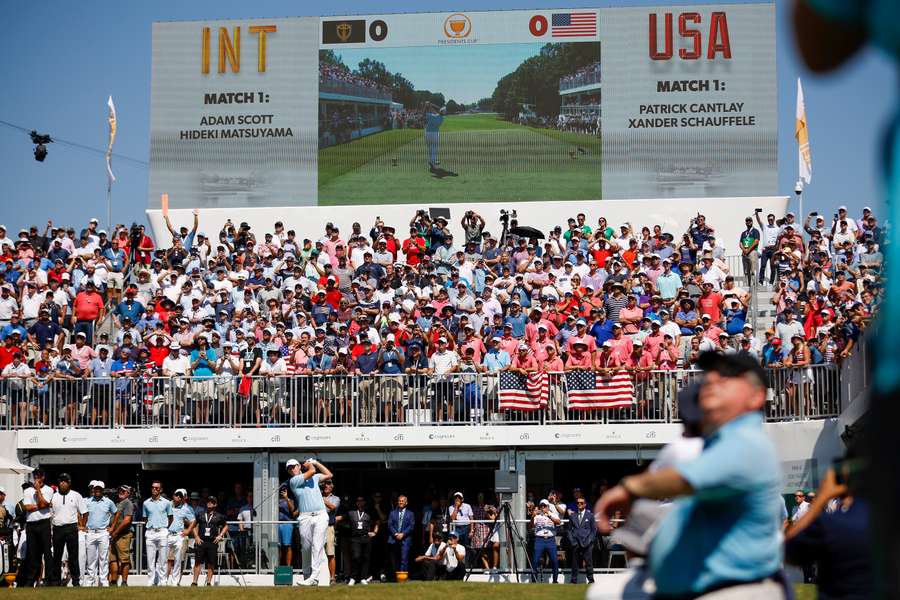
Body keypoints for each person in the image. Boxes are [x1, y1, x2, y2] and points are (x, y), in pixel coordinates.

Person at [595, 353, 787, 599]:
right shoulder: (718, 442)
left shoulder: (748, 441)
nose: (712, 380)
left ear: (756, 396)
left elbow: (681, 479)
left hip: (737, 590)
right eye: (709, 375)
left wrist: (628, 488)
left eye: (727, 377)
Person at [785, 460, 873, 600]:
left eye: (800, 496)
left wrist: (821, 498)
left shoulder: (834, 523)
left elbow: (789, 549)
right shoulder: (884, 519)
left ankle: (810, 577)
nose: (798, 498)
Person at [287, 457, 333, 586]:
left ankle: (314, 577)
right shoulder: (294, 481)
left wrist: (317, 462)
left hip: (320, 515)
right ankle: (307, 574)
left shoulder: (315, 477)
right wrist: (310, 464)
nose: (292, 469)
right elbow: (311, 471)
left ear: (298, 466)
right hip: (305, 517)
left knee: (317, 546)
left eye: (294, 466)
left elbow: (329, 474)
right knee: (306, 548)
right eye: (289, 468)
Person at [49, 472, 85, 586]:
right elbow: (50, 513)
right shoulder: (53, 496)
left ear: (69, 483)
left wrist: (83, 525)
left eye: (65, 481)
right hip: (57, 528)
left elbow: (85, 512)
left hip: (71, 528)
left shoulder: (76, 495)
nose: (63, 483)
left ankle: (76, 580)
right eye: (61, 481)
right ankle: (56, 581)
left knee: (73, 555)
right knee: (57, 556)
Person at [20, 469, 54, 587]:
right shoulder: (28, 490)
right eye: (35, 475)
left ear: (43, 477)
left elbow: (45, 503)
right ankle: (31, 579)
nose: (37, 477)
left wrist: (38, 490)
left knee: (47, 552)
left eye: (39, 475)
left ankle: (48, 578)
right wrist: (41, 506)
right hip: (31, 524)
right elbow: (28, 507)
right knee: (32, 552)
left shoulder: (49, 489)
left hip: (44, 523)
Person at [82, 480, 116, 588]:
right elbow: (80, 513)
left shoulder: (108, 502)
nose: (97, 490)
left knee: (103, 558)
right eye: (96, 488)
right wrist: (82, 525)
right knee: (91, 558)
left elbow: (116, 513)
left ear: (102, 490)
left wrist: (112, 527)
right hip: (91, 532)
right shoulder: (87, 501)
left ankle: (103, 580)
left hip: (103, 533)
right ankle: (90, 580)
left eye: (99, 489)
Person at [142, 480, 173, 586]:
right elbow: (145, 518)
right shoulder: (145, 503)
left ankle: (163, 581)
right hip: (150, 532)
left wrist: (164, 527)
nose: (154, 489)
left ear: (161, 489)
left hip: (162, 531)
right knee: (150, 559)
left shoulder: (167, 503)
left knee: (163, 559)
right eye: (153, 487)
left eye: (157, 488)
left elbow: (170, 517)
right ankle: (150, 581)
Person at [191, 496, 227, 587]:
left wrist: (220, 535)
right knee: (198, 562)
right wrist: (196, 536)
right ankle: (194, 582)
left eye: (211, 502)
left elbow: (226, 526)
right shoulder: (200, 514)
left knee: (211, 563)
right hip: (201, 541)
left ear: (215, 504)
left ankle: (208, 582)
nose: (209, 503)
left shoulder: (219, 516)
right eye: (208, 501)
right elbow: (194, 525)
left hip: (212, 541)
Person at [166, 488, 196, 586]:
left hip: (180, 535)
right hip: (167, 534)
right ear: (173, 495)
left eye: (181, 496)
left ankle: (176, 582)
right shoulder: (167, 504)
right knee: (165, 559)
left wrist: (187, 530)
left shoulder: (187, 508)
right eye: (176, 495)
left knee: (179, 560)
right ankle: (164, 580)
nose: (178, 497)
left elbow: (193, 521)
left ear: (184, 497)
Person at [108, 484, 135, 586]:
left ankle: (124, 582)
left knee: (124, 559)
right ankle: (113, 581)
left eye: (123, 491)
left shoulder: (128, 503)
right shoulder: (117, 503)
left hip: (123, 535)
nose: (120, 492)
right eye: (119, 490)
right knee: (113, 559)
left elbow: (127, 520)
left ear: (128, 493)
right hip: (115, 535)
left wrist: (115, 532)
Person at [347, 495, 377, 585]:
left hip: (366, 537)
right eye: (358, 501)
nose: (360, 502)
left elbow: (377, 521)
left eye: (362, 500)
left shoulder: (369, 512)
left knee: (365, 558)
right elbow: (342, 519)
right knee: (356, 557)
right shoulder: (351, 512)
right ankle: (353, 578)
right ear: (356, 503)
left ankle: (363, 578)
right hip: (355, 538)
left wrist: (375, 532)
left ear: (364, 502)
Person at [567, 495, 596, 584]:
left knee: (588, 562)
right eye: (578, 503)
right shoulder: (573, 516)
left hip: (587, 542)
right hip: (575, 543)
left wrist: (590, 540)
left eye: (581, 503)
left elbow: (593, 530)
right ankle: (574, 580)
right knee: (575, 563)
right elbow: (568, 530)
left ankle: (591, 580)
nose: (579, 504)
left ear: (585, 504)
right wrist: (572, 541)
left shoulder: (590, 515)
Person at [531, 499, 561, 584]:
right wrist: (533, 516)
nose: (543, 507)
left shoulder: (553, 514)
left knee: (554, 560)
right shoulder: (537, 515)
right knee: (535, 560)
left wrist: (549, 516)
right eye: (541, 506)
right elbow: (531, 525)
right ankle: (534, 580)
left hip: (550, 540)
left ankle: (555, 580)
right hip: (539, 539)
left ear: (548, 507)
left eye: (544, 506)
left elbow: (558, 522)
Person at [388, 494, 414, 578]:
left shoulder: (410, 514)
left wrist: (403, 534)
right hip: (394, 539)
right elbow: (390, 525)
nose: (400, 502)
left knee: (404, 559)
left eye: (402, 501)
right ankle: (394, 577)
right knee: (394, 560)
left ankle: (402, 578)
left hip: (405, 539)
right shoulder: (392, 513)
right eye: (399, 501)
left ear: (406, 503)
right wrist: (396, 534)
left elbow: (411, 526)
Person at [322, 480, 340, 584]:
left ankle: (332, 578)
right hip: (317, 527)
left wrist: (322, 499)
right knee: (317, 552)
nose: (326, 486)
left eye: (328, 484)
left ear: (332, 487)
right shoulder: (317, 495)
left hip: (329, 527)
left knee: (330, 553)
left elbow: (332, 508)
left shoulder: (335, 498)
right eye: (325, 484)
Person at [278, 485, 297, 568]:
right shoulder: (275, 500)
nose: (282, 491)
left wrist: (286, 498)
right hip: (276, 523)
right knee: (277, 546)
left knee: (287, 545)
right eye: (281, 490)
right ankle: (277, 566)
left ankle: (288, 566)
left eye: (284, 490)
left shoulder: (290, 500)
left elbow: (292, 509)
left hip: (287, 523)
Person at [424, 102, 445, 171]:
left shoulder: (431, 115)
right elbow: (437, 111)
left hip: (427, 133)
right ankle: (433, 164)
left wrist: (428, 105)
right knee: (434, 149)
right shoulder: (441, 118)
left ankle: (431, 161)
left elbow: (425, 113)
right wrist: (431, 105)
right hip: (435, 134)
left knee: (430, 149)